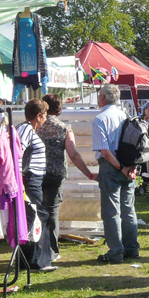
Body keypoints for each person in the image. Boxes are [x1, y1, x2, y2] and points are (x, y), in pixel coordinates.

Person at [37, 94, 95, 262]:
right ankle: (52, 251)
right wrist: (89, 174)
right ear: (59, 108)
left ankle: (37, 247)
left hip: (36, 174)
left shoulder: (35, 126)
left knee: (37, 211)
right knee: (52, 212)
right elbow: (74, 155)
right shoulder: (64, 128)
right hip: (55, 174)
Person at [92, 85, 140, 264]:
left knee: (111, 212)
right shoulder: (125, 115)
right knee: (128, 209)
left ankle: (116, 251)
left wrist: (120, 167)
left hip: (112, 166)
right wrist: (129, 167)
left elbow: (105, 151)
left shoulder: (100, 119)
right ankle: (131, 248)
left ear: (103, 97)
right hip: (128, 165)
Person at [16, 99, 58, 272]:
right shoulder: (26, 129)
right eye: (45, 116)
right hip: (30, 180)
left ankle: (31, 259)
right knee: (39, 217)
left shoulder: (24, 128)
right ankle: (39, 260)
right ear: (39, 115)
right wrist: (19, 179)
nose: (45, 119)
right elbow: (19, 153)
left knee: (33, 218)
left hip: (31, 180)